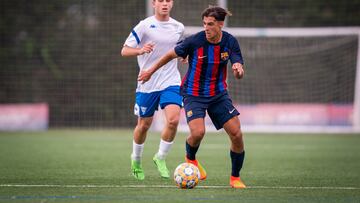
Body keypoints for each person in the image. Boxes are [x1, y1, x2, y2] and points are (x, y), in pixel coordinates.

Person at [138, 6, 246, 188]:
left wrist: (238, 70)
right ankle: (191, 158)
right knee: (198, 133)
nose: (206, 27)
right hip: (193, 94)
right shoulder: (195, 41)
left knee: (236, 134)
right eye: (204, 24)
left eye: (210, 24)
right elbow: (169, 55)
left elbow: (238, 68)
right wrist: (149, 71)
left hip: (218, 94)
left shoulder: (230, 42)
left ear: (220, 24)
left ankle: (235, 178)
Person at [121, 0, 184, 180]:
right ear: (154, 4)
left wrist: (184, 56)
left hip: (170, 80)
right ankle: (136, 160)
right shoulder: (144, 25)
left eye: (168, 0)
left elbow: (179, 49)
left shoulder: (178, 27)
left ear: (172, 3)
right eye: (160, 0)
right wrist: (140, 50)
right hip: (147, 83)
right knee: (143, 125)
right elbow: (124, 50)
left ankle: (161, 157)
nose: (165, 4)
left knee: (172, 120)